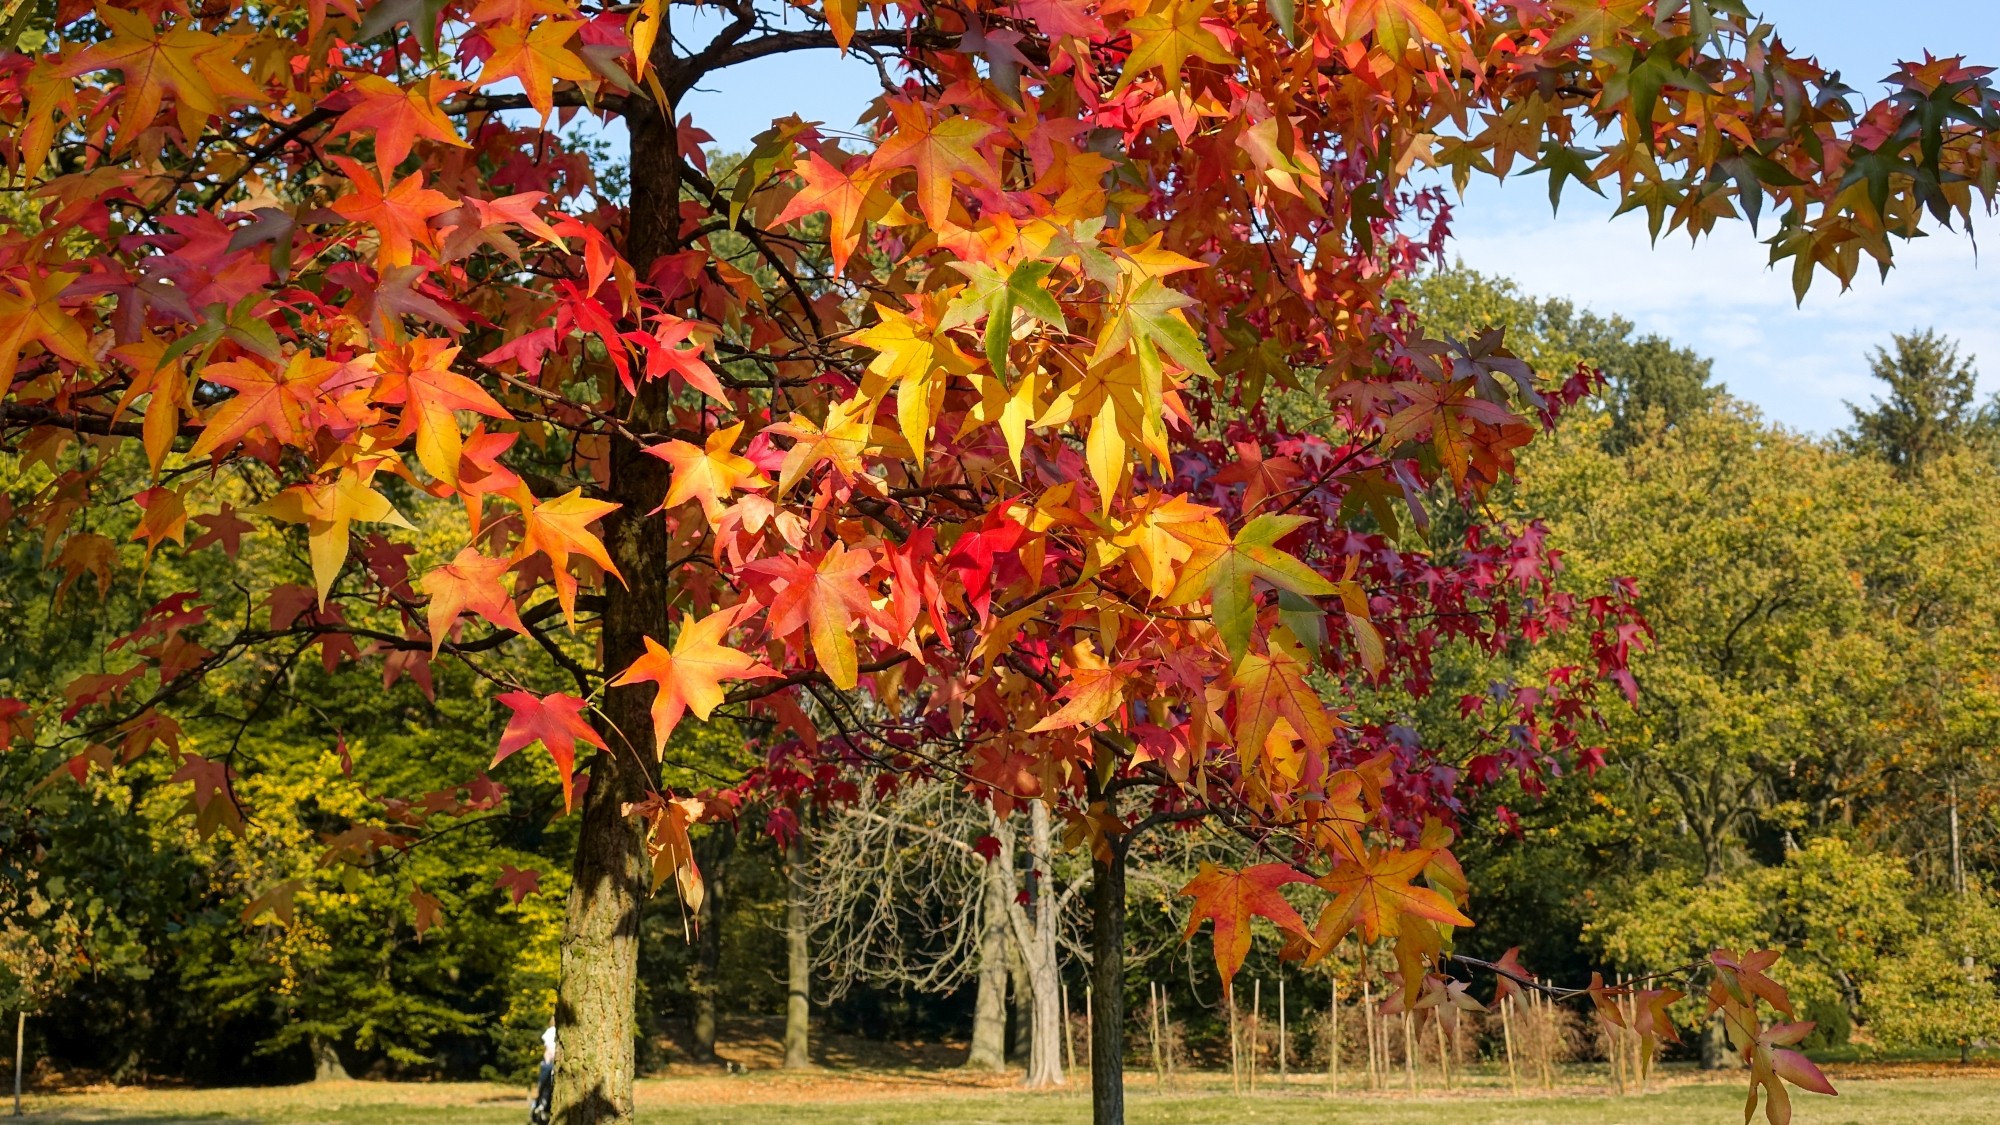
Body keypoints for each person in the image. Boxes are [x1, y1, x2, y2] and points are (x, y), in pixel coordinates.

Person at [529, 1023, 555, 1125]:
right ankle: (540, 1107)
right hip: (549, 1065)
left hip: (549, 1065)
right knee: (545, 1088)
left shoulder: (551, 1031)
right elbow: (549, 1050)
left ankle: (541, 1107)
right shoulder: (552, 1031)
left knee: (545, 1089)